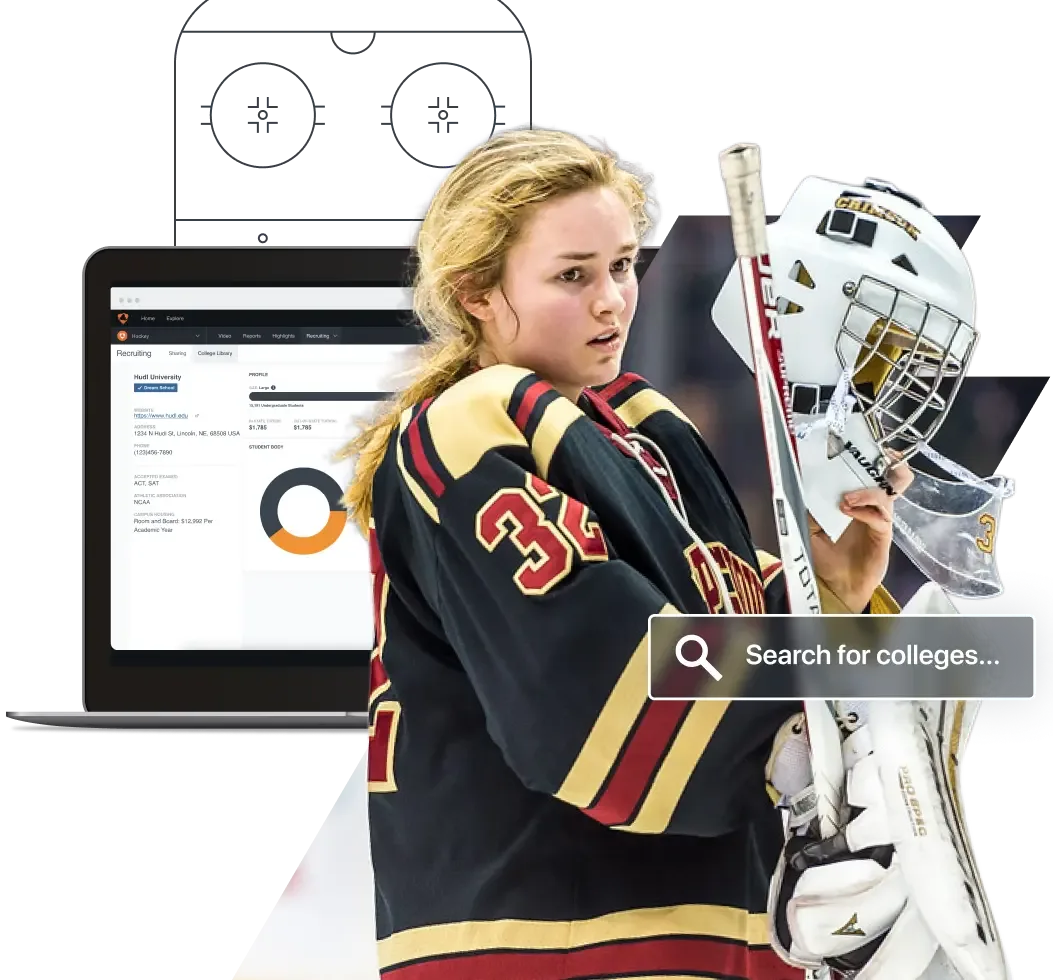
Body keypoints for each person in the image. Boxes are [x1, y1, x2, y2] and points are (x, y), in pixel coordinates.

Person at [341, 125, 904, 980]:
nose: (612, 300)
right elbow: (614, 685)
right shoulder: (474, 425)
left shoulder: (646, 431)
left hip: (699, 931)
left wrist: (827, 592)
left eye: (622, 265)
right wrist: (818, 704)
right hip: (553, 940)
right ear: (477, 293)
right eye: (572, 275)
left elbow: (715, 645)